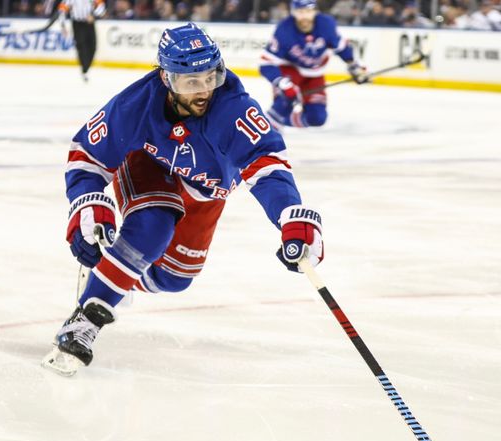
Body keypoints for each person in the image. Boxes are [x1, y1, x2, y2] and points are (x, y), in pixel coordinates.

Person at [42, 23, 324, 376]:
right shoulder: (137, 103)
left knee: (175, 279)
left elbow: (267, 166)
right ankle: (84, 322)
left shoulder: (234, 107)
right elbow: (88, 154)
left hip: (206, 191)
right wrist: (87, 202)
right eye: (191, 82)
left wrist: (290, 216)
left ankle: (113, 273)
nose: (204, 89)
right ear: (166, 79)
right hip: (152, 165)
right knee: (153, 226)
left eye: (211, 76)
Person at [259, 0, 368, 130]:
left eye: (308, 11)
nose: (304, 16)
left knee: (317, 118)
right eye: (300, 12)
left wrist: (355, 67)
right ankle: (271, 126)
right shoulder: (284, 29)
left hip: (315, 74)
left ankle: (278, 120)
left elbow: (342, 49)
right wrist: (283, 83)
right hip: (290, 69)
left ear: (315, 11)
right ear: (293, 12)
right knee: (285, 99)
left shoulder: (326, 24)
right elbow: (265, 64)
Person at [57, 0, 106, 81]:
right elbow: (62, 10)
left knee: (92, 47)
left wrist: (94, 15)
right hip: (77, 24)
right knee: (81, 46)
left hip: (89, 23)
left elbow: (101, 7)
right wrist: (63, 25)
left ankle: (85, 68)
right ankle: (84, 68)